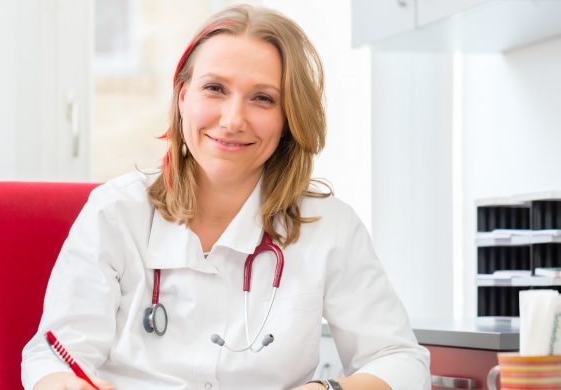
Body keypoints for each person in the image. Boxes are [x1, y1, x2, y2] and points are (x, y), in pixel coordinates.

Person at [22, 5, 430, 390]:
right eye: (215, 88)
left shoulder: (328, 226)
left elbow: (400, 359)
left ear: (288, 118)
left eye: (263, 98)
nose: (233, 120)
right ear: (183, 97)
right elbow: (54, 355)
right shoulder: (115, 212)